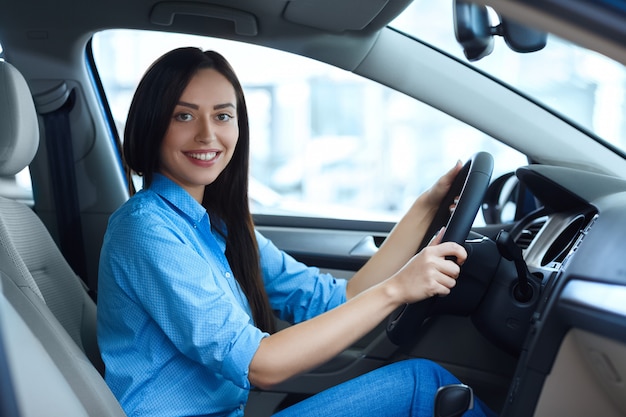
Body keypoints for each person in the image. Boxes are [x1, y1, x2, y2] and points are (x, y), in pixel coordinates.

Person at [97, 47, 495, 417]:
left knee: (425, 384)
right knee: (422, 387)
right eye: (183, 116)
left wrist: (428, 205)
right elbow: (260, 365)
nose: (207, 134)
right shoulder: (146, 230)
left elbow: (341, 299)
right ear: (153, 124)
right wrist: (398, 288)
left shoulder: (217, 226)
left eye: (222, 116)